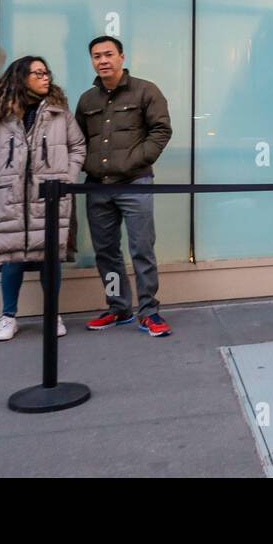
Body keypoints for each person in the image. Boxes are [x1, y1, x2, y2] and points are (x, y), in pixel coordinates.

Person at [0, 57, 85, 342]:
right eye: (38, 73)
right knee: (11, 259)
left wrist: (67, 180)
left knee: (50, 259)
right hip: (7, 197)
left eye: (47, 72)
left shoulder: (59, 112)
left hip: (46, 196)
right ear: (21, 78)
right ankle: (8, 317)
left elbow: (77, 147)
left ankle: (52, 314)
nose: (46, 77)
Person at [75, 36, 173, 337]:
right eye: (96, 56)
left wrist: (135, 161)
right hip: (97, 187)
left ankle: (149, 312)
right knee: (106, 252)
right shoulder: (87, 100)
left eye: (108, 54)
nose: (102, 60)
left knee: (142, 248)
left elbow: (161, 130)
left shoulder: (146, 90)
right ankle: (118, 308)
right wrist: (87, 165)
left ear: (121, 57)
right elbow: (77, 140)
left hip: (136, 184)